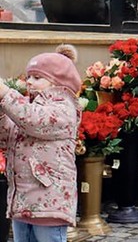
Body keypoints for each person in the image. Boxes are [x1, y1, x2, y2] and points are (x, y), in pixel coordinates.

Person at [0, 44, 82, 242]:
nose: (29, 82)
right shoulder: (26, 107)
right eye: (28, 77)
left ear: (59, 82)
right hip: (22, 201)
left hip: (48, 203)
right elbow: (6, 135)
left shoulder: (64, 108)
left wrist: (5, 94)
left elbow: (34, 121)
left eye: (37, 78)